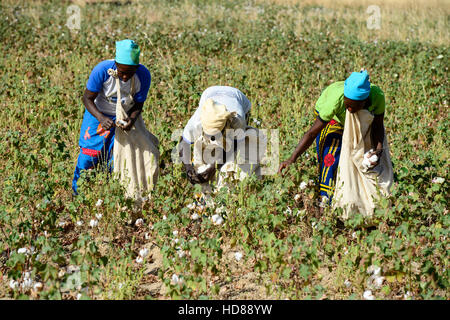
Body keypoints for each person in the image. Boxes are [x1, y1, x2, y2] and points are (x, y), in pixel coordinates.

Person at [278, 70, 386, 209]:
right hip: (333, 121)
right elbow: (312, 133)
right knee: (330, 155)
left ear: (364, 101)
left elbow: (377, 127)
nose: (349, 108)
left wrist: (378, 151)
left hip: (361, 122)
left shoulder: (377, 97)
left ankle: (360, 202)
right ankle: (325, 202)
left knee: (362, 159)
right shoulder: (335, 100)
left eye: (354, 106)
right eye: (347, 105)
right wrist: (292, 159)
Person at [72, 39, 151, 195]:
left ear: (137, 67)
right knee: (89, 155)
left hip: (122, 117)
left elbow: (138, 104)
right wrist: (101, 118)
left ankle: (109, 192)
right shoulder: (102, 70)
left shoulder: (143, 75)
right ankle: (78, 193)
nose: (125, 77)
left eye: (130, 72)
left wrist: (132, 119)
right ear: (115, 64)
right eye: (121, 72)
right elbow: (87, 98)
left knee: (116, 157)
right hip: (97, 114)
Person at [178, 86, 255, 186]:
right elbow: (184, 142)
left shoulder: (238, 120)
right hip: (210, 93)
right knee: (204, 148)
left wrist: (214, 167)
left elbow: (234, 146)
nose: (212, 139)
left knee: (235, 155)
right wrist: (188, 168)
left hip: (237, 97)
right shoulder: (198, 120)